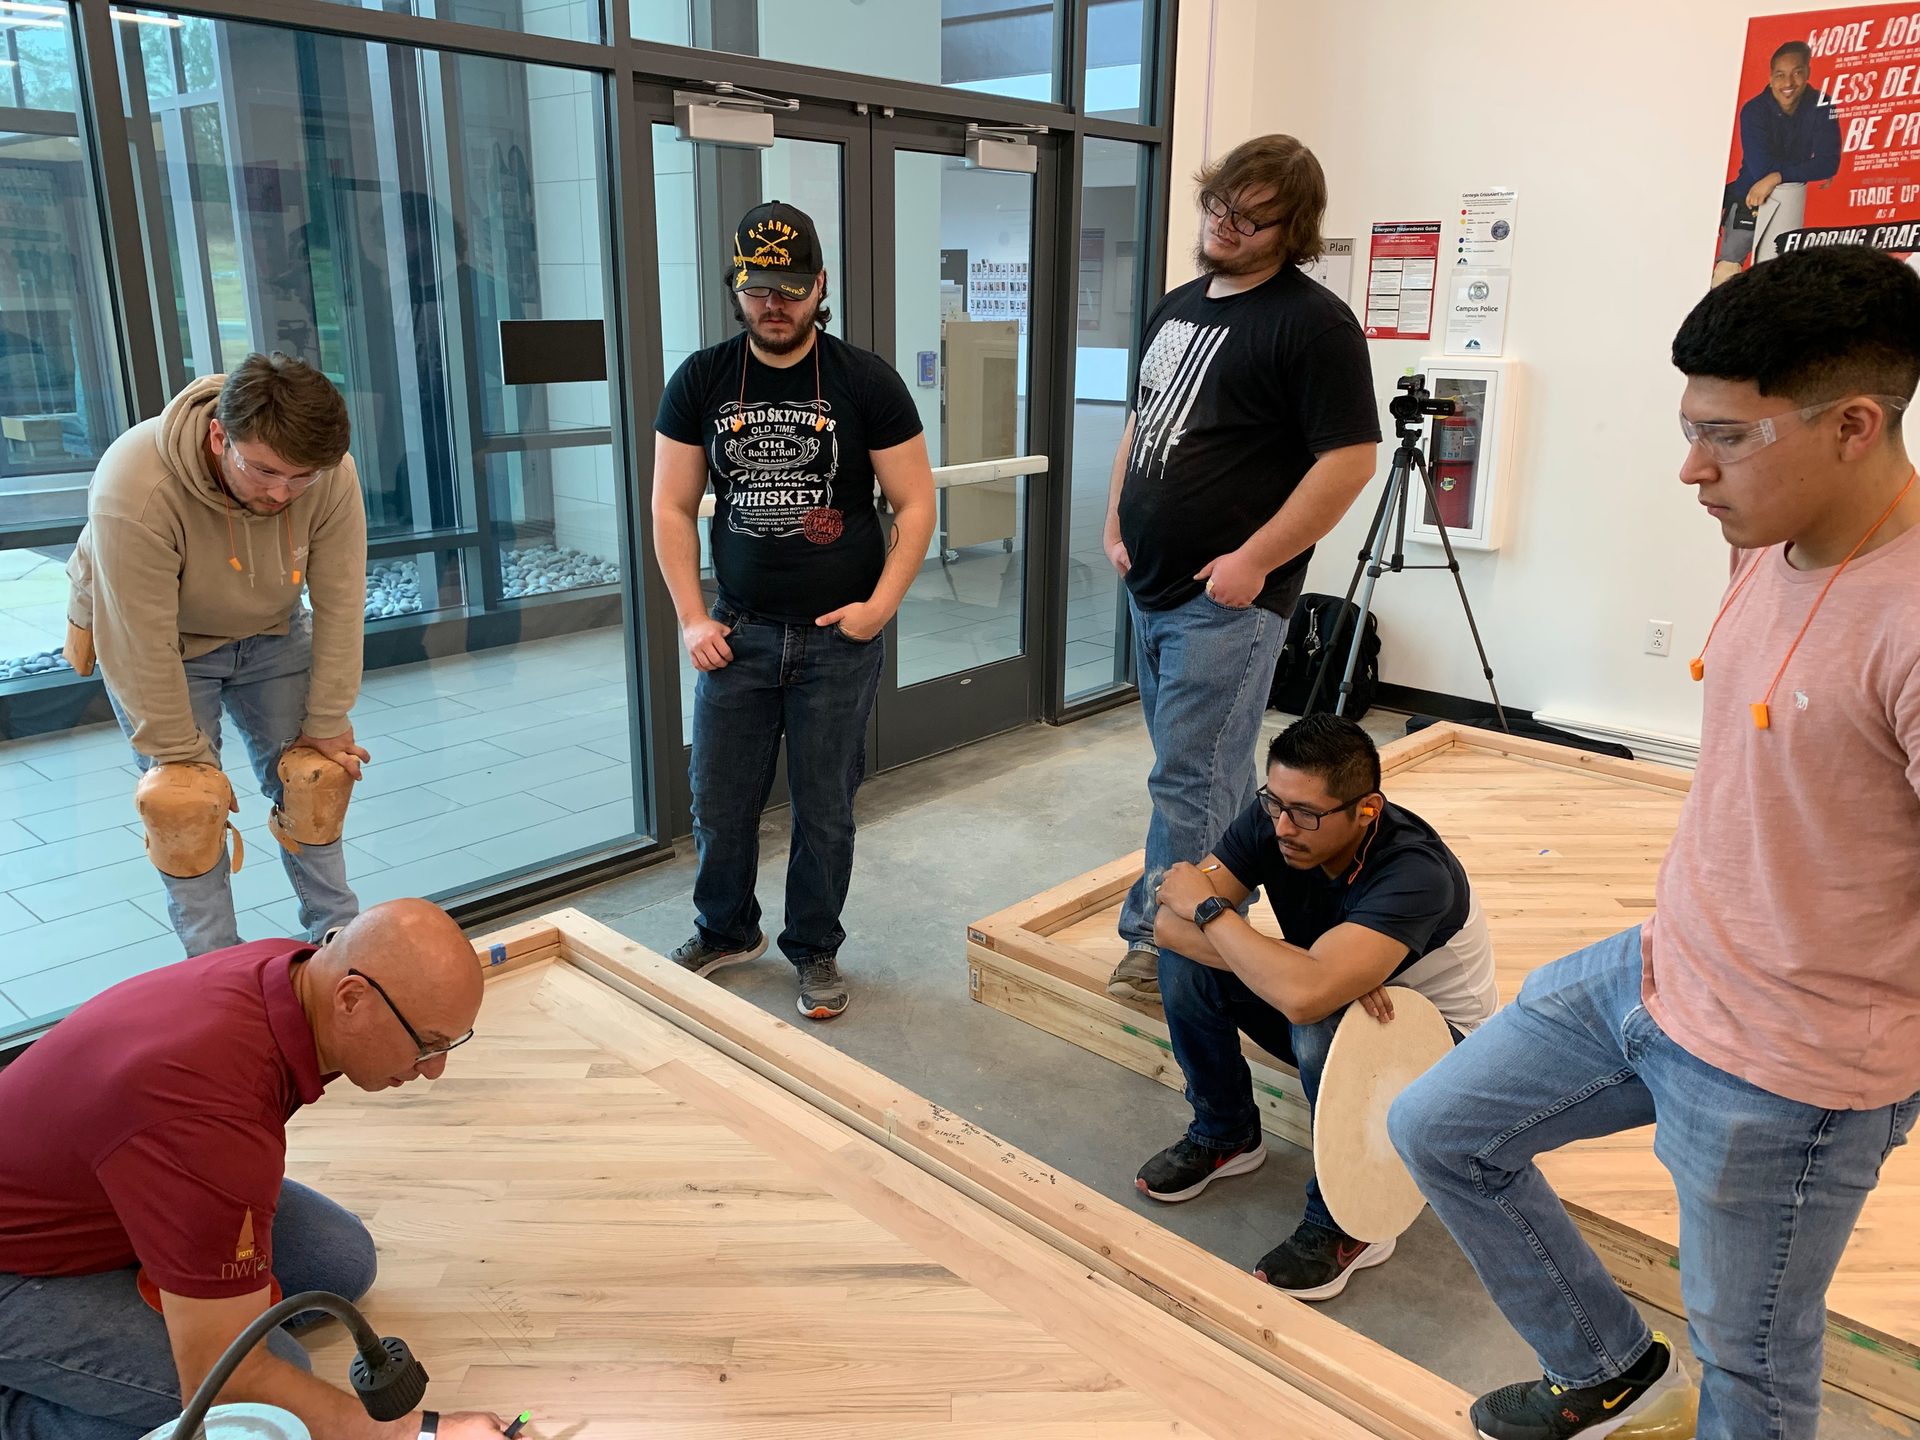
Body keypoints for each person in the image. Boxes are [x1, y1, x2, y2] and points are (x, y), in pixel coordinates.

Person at [1391, 246, 1920, 1440]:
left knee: (1754, 1368)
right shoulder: (1764, 540)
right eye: (1690, 428)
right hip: (1656, 973)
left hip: (1791, 1074)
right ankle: (1608, 1366)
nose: (1692, 469)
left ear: (1851, 426)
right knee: (1440, 1129)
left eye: (1728, 435)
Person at [0, 900, 514, 1440]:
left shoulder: (289, 971)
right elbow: (228, 1384)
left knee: (337, 1260)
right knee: (262, 1413)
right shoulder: (210, 1114)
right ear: (352, 999)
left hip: (98, 1186)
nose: (434, 1069)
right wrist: (423, 1433)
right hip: (16, 1265)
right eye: (427, 1044)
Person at [1101, 135, 1382, 1003]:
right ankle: (1185, 915)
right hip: (1151, 585)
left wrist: (1255, 561)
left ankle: (1174, 940)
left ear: (1291, 229)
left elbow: (1350, 461)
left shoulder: (1313, 325)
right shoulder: (1179, 305)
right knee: (1186, 768)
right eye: (1218, 206)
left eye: (1251, 218)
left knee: (1195, 774)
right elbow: (1141, 424)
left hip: (1226, 598)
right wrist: (1115, 517)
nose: (1225, 226)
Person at [652, 201, 937, 1021]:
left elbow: (914, 503)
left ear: (820, 285)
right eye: (757, 289)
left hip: (835, 643)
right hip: (735, 636)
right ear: (736, 290)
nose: (773, 306)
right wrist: (692, 619)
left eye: (789, 288)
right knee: (720, 801)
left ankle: (813, 947)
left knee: (825, 808)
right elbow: (671, 507)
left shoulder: (864, 379)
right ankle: (725, 928)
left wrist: (879, 608)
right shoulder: (704, 378)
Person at [1140, 714, 1497, 1299]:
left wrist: (1219, 917)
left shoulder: (1415, 872)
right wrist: (1303, 969)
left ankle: (1350, 1220)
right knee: (1188, 965)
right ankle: (1226, 1134)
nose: (1282, 825)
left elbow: (1301, 995)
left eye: (1306, 813)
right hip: (1340, 1005)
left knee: (1326, 1016)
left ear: (1367, 809)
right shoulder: (1277, 820)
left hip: (1444, 1053)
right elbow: (1168, 928)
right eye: (1274, 802)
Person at [64, 352, 370, 958]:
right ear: (217, 436)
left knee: (317, 779)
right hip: (168, 644)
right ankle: (216, 965)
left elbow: (341, 602)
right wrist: (181, 759)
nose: (283, 492)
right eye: (263, 471)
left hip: (271, 629)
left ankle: (339, 938)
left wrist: (328, 722)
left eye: (301, 477)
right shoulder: (136, 484)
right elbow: (139, 639)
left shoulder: (330, 474)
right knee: (185, 806)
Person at [1713, 40, 1841, 287]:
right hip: (1748, 198)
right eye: (1780, 75)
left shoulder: (1821, 105)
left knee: (1781, 276)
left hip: (1791, 197)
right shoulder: (1754, 111)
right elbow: (1762, 169)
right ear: (1771, 77)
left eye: (1797, 73)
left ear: (1808, 73)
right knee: (1726, 273)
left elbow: (1829, 163)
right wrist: (1804, 169)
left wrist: (1776, 177)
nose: (1788, 83)